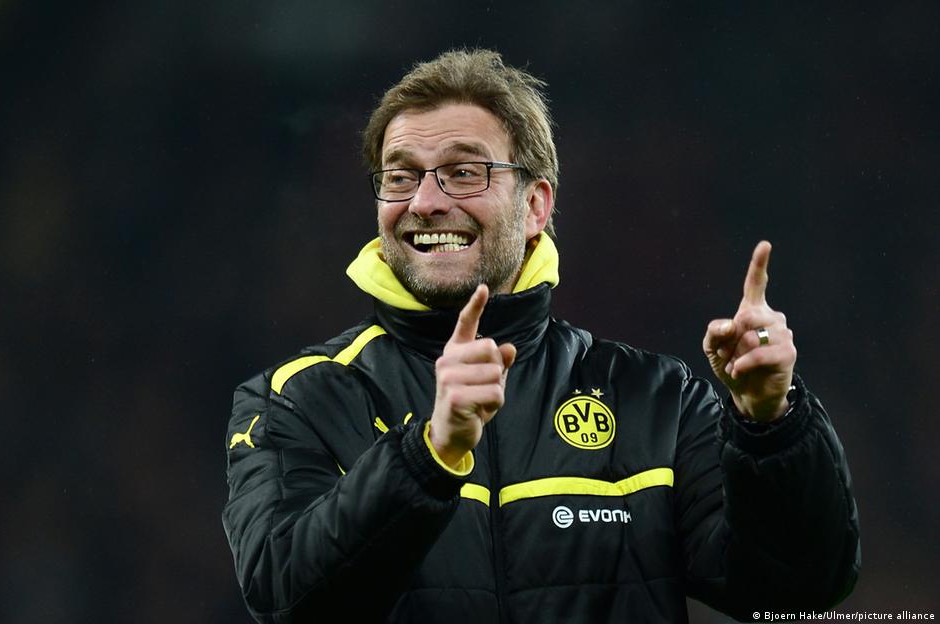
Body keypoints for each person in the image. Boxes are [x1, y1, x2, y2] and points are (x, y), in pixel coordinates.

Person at [222, 49, 860, 623]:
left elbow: (794, 593)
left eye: (463, 172)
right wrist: (428, 455)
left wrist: (771, 425)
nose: (424, 202)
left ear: (535, 207)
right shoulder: (294, 399)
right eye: (401, 175)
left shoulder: (655, 399)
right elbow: (285, 598)